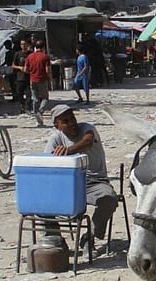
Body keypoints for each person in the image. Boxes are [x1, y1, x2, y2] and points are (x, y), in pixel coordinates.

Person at [44, 104, 118, 253]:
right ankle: (56, 239)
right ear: (57, 126)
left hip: (95, 182)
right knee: (42, 201)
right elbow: (47, 164)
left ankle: (89, 236)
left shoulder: (86, 129)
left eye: (72, 118)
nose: (72, 123)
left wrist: (69, 150)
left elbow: (87, 142)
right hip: (69, 185)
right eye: (65, 121)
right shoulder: (56, 139)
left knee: (109, 199)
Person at [25, 39, 51, 126]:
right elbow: (47, 70)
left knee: (35, 99)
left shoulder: (30, 56)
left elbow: (25, 69)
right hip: (42, 79)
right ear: (43, 47)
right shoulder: (45, 56)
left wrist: (32, 73)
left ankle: (38, 119)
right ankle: (40, 111)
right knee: (45, 98)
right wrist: (50, 78)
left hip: (32, 79)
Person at [10, 40, 32, 114]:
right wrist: (19, 67)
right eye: (22, 44)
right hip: (20, 77)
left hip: (29, 76)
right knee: (20, 93)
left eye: (25, 44)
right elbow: (13, 65)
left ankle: (28, 107)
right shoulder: (18, 54)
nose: (24, 46)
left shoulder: (30, 54)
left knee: (29, 93)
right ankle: (22, 106)